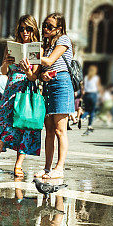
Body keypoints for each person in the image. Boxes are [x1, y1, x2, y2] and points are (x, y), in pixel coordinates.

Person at [0, 14, 41, 178]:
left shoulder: (37, 49)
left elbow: (33, 77)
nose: (25, 33)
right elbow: (4, 72)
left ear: (33, 29)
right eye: (22, 29)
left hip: (26, 90)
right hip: (10, 91)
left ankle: (18, 166)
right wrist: (6, 62)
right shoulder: (11, 47)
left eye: (28, 29)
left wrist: (28, 69)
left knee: (24, 126)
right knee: (1, 126)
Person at [37, 12, 74, 179]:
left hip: (61, 84)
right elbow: (43, 69)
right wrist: (42, 76)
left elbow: (50, 61)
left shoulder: (63, 40)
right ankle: (47, 168)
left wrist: (31, 55)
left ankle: (59, 168)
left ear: (59, 29)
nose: (45, 28)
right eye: (44, 25)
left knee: (60, 130)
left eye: (49, 26)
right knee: (49, 130)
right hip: (49, 85)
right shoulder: (46, 44)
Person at [81, 64, 100, 134]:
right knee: (92, 111)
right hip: (93, 94)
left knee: (87, 110)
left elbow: (83, 87)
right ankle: (89, 125)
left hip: (87, 95)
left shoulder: (86, 77)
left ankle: (81, 118)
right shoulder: (96, 78)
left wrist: (82, 96)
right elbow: (98, 87)